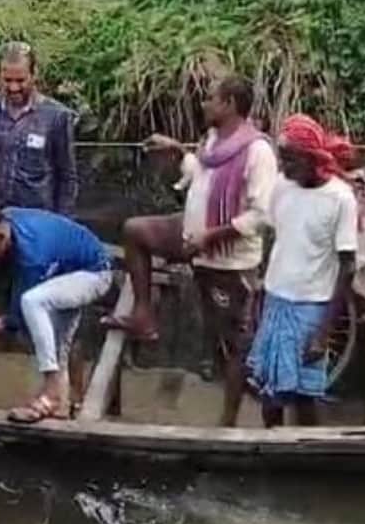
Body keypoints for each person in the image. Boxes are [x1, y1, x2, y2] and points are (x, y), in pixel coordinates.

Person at [110, 75, 276, 425]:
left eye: (211, 99)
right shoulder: (214, 139)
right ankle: (143, 314)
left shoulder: (258, 151)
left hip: (228, 260)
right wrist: (176, 152)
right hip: (191, 237)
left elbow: (261, 214)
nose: (204, 104)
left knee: (231, 344)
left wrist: (211, 236)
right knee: (134, 230)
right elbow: (201, 173)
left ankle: (229, 421)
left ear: (229, 104)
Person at [0, 203, 114, 423]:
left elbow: (17, 320)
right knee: (57, 346)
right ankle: (60, 409)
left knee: (32, 301)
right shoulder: (2, 222)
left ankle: (50, 393)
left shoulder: (32, 257)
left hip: (93, 273)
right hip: (64, 272)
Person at [246, 115, 359, 428]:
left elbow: (347, 266)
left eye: (290, 160)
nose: (283, 167)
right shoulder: (283, 186)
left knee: (304, 393)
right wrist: (260, 281)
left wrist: (323, 333)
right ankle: (270, 448)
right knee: (269, 388)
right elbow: (274, 233)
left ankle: (307, 450)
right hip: (276, 300)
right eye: (282, 158)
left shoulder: (340, 198)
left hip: (311, 307)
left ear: (312, 159)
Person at [0, 42, 78, 215]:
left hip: (38, 221)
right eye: (7, 80)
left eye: (20, 80)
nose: (13, 87)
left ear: (34, 75)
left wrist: (62, 223)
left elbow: (67, 177)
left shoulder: (56, 116)